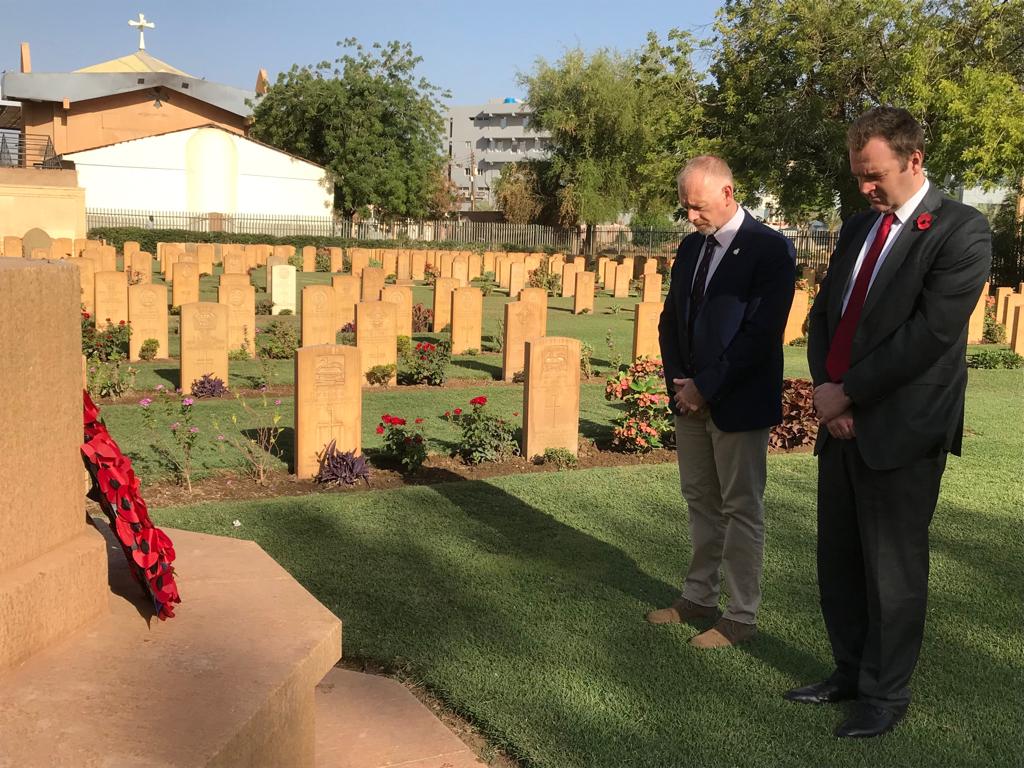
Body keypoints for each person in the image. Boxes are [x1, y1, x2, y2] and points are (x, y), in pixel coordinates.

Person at [787, 107, 991, 738]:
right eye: (858, 175)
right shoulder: (858, 226)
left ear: (914, 159)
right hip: (840, 419)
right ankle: (848, 671)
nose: (865, 187)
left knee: (892, 571)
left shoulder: (960, 230)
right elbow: (827, 315)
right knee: (840, 561)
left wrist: (848, 395)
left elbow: (929, 335)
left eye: (874, 175)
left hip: (903, 428)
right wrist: (826, 390)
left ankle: (885, 694)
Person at [651, 155, 795, 648]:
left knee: (740, 508)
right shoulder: (692, 246)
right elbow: (671, 320)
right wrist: (680, 383)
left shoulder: (769, 248)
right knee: (700, 501)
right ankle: (698, 596)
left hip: (738, 400)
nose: (691, 216)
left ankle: (740, 615)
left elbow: (760, 334)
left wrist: (705, 386)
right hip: (689, 399)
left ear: (728, 193)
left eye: (698, 207)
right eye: (685, 208)